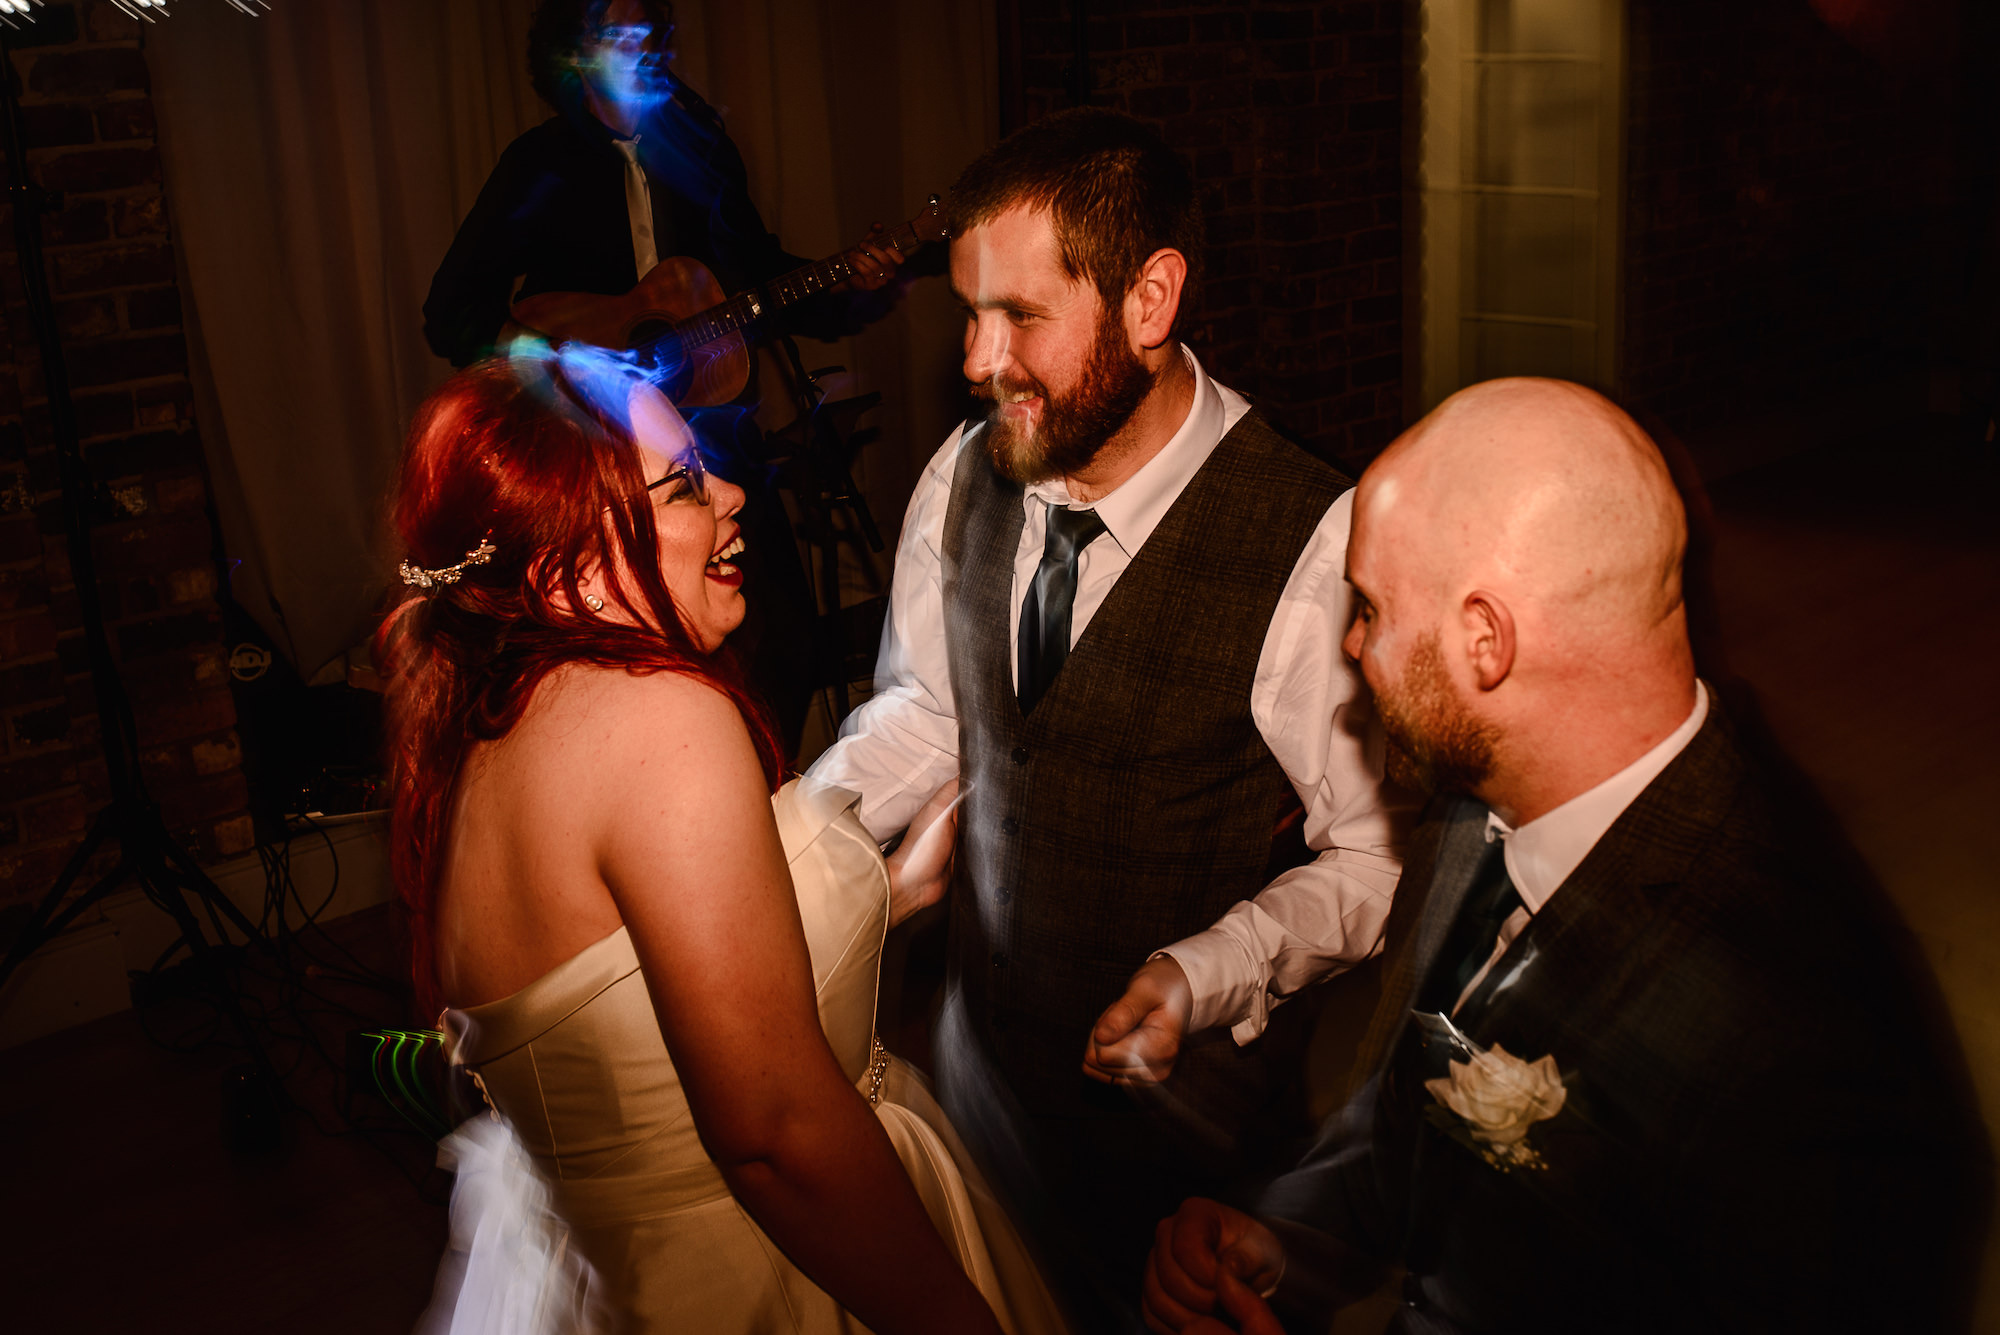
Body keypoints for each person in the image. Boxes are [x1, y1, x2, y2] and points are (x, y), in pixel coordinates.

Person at [1144, 378, 1991, 1334]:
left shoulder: (1812, 1051)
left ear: (1484, 641)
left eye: (1373, 607)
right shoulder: (1470, 812)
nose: (1350, 643)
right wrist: (1284, 1237)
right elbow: (1405, 1121)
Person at [809, 107, 1408, 1327]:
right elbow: (933, 711)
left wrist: (1208, 969)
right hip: (973, 1091)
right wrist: (779, 839)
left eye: (1019, 316)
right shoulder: (963, 471)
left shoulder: (1311, 540)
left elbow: (1374, 858)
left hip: (1185, 1163)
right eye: (968, 312)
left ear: (1149, 302)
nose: (975, 360)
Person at [382, 341, 1069, 1334]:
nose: (733, 497)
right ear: (561, 559)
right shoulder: (661, 722)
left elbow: (632, 1003)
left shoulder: (481, 724)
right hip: (763, 1274)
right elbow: (773, 1134)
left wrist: (886, 891)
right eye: (683, 488)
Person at [422, 0, 906, 753]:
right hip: (608, 459)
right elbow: (453, 311)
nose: (644, 46)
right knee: (642, 651)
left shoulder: (702, 151)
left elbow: (754, 277)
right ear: (575, 52)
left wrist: (844, 280)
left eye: (653, 30)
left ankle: (749, 800)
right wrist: (563, 369)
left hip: (717, 437)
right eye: (619, 33)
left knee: (784, 642)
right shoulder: (537, 166)